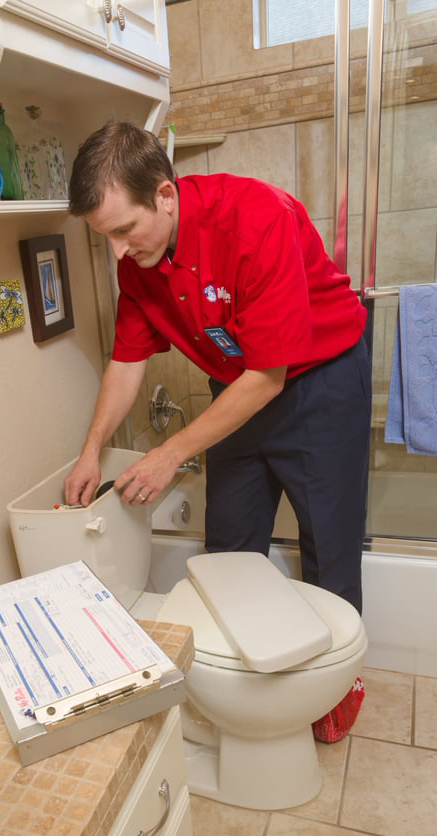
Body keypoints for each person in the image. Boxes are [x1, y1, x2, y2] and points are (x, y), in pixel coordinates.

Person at [64, 121, 371, 617]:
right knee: (228, 547)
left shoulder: (256, 220)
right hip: (237, 388)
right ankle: (248, 681)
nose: (117, 251)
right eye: (105, 237)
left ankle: (337, 692)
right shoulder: (138, 262)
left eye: (123, 230)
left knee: (329, 548)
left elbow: (268, 377)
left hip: (320, 385)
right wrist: (91, 450)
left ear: (165, 195)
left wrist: (168, 455)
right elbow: (126, 361)